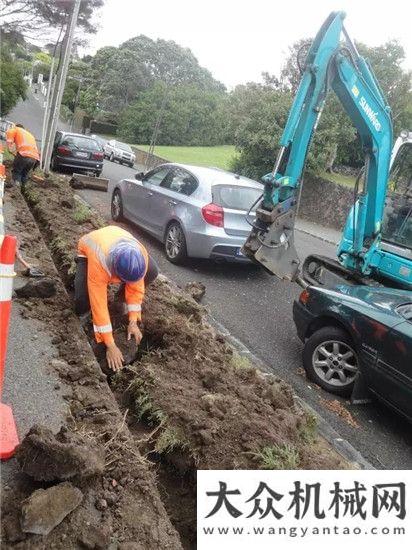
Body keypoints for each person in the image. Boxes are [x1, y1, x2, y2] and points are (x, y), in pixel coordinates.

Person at [74, 225, 159, 371]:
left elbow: (136, 289)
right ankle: (85, 319)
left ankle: (120, 299)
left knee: (153, 270)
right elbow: (99, 303)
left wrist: (133, 321)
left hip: (117, 238)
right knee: (83, 300)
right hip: (91, 248)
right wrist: (110, 345)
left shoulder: (139, 260)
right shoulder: (100, 262)